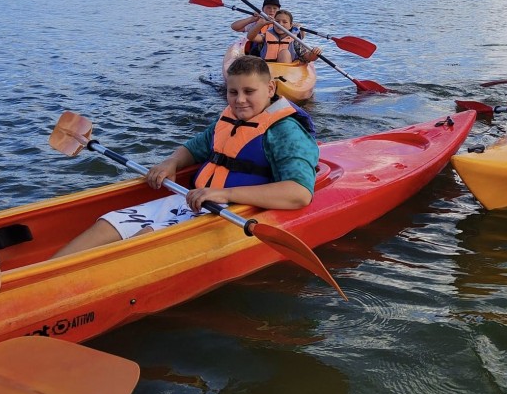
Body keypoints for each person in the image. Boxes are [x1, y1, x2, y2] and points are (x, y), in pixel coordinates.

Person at [53, 56, 319, 257]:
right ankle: (40, 273)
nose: (239, 100)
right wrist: (171, 162)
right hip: (194, 199)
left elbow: (298, 193)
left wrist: (225, 195)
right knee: (108, 222)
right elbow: (194, 148)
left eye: (249, 92)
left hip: (233, 210)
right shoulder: (229, 119)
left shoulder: (285, 132)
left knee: (144, 238)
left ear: (270, 89)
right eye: (232, 92)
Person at [247, 9, 323, 64]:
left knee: (285, 53)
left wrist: (314, 54)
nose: (280, 24)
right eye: (277, 21)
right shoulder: (266, 36)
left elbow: (308, 57)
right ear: (273, 23)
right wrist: (261, 24)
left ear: (290, 26)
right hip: (267, 69)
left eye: (285, 22)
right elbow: (251, 37)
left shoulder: (295, 40)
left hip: (286, 73)